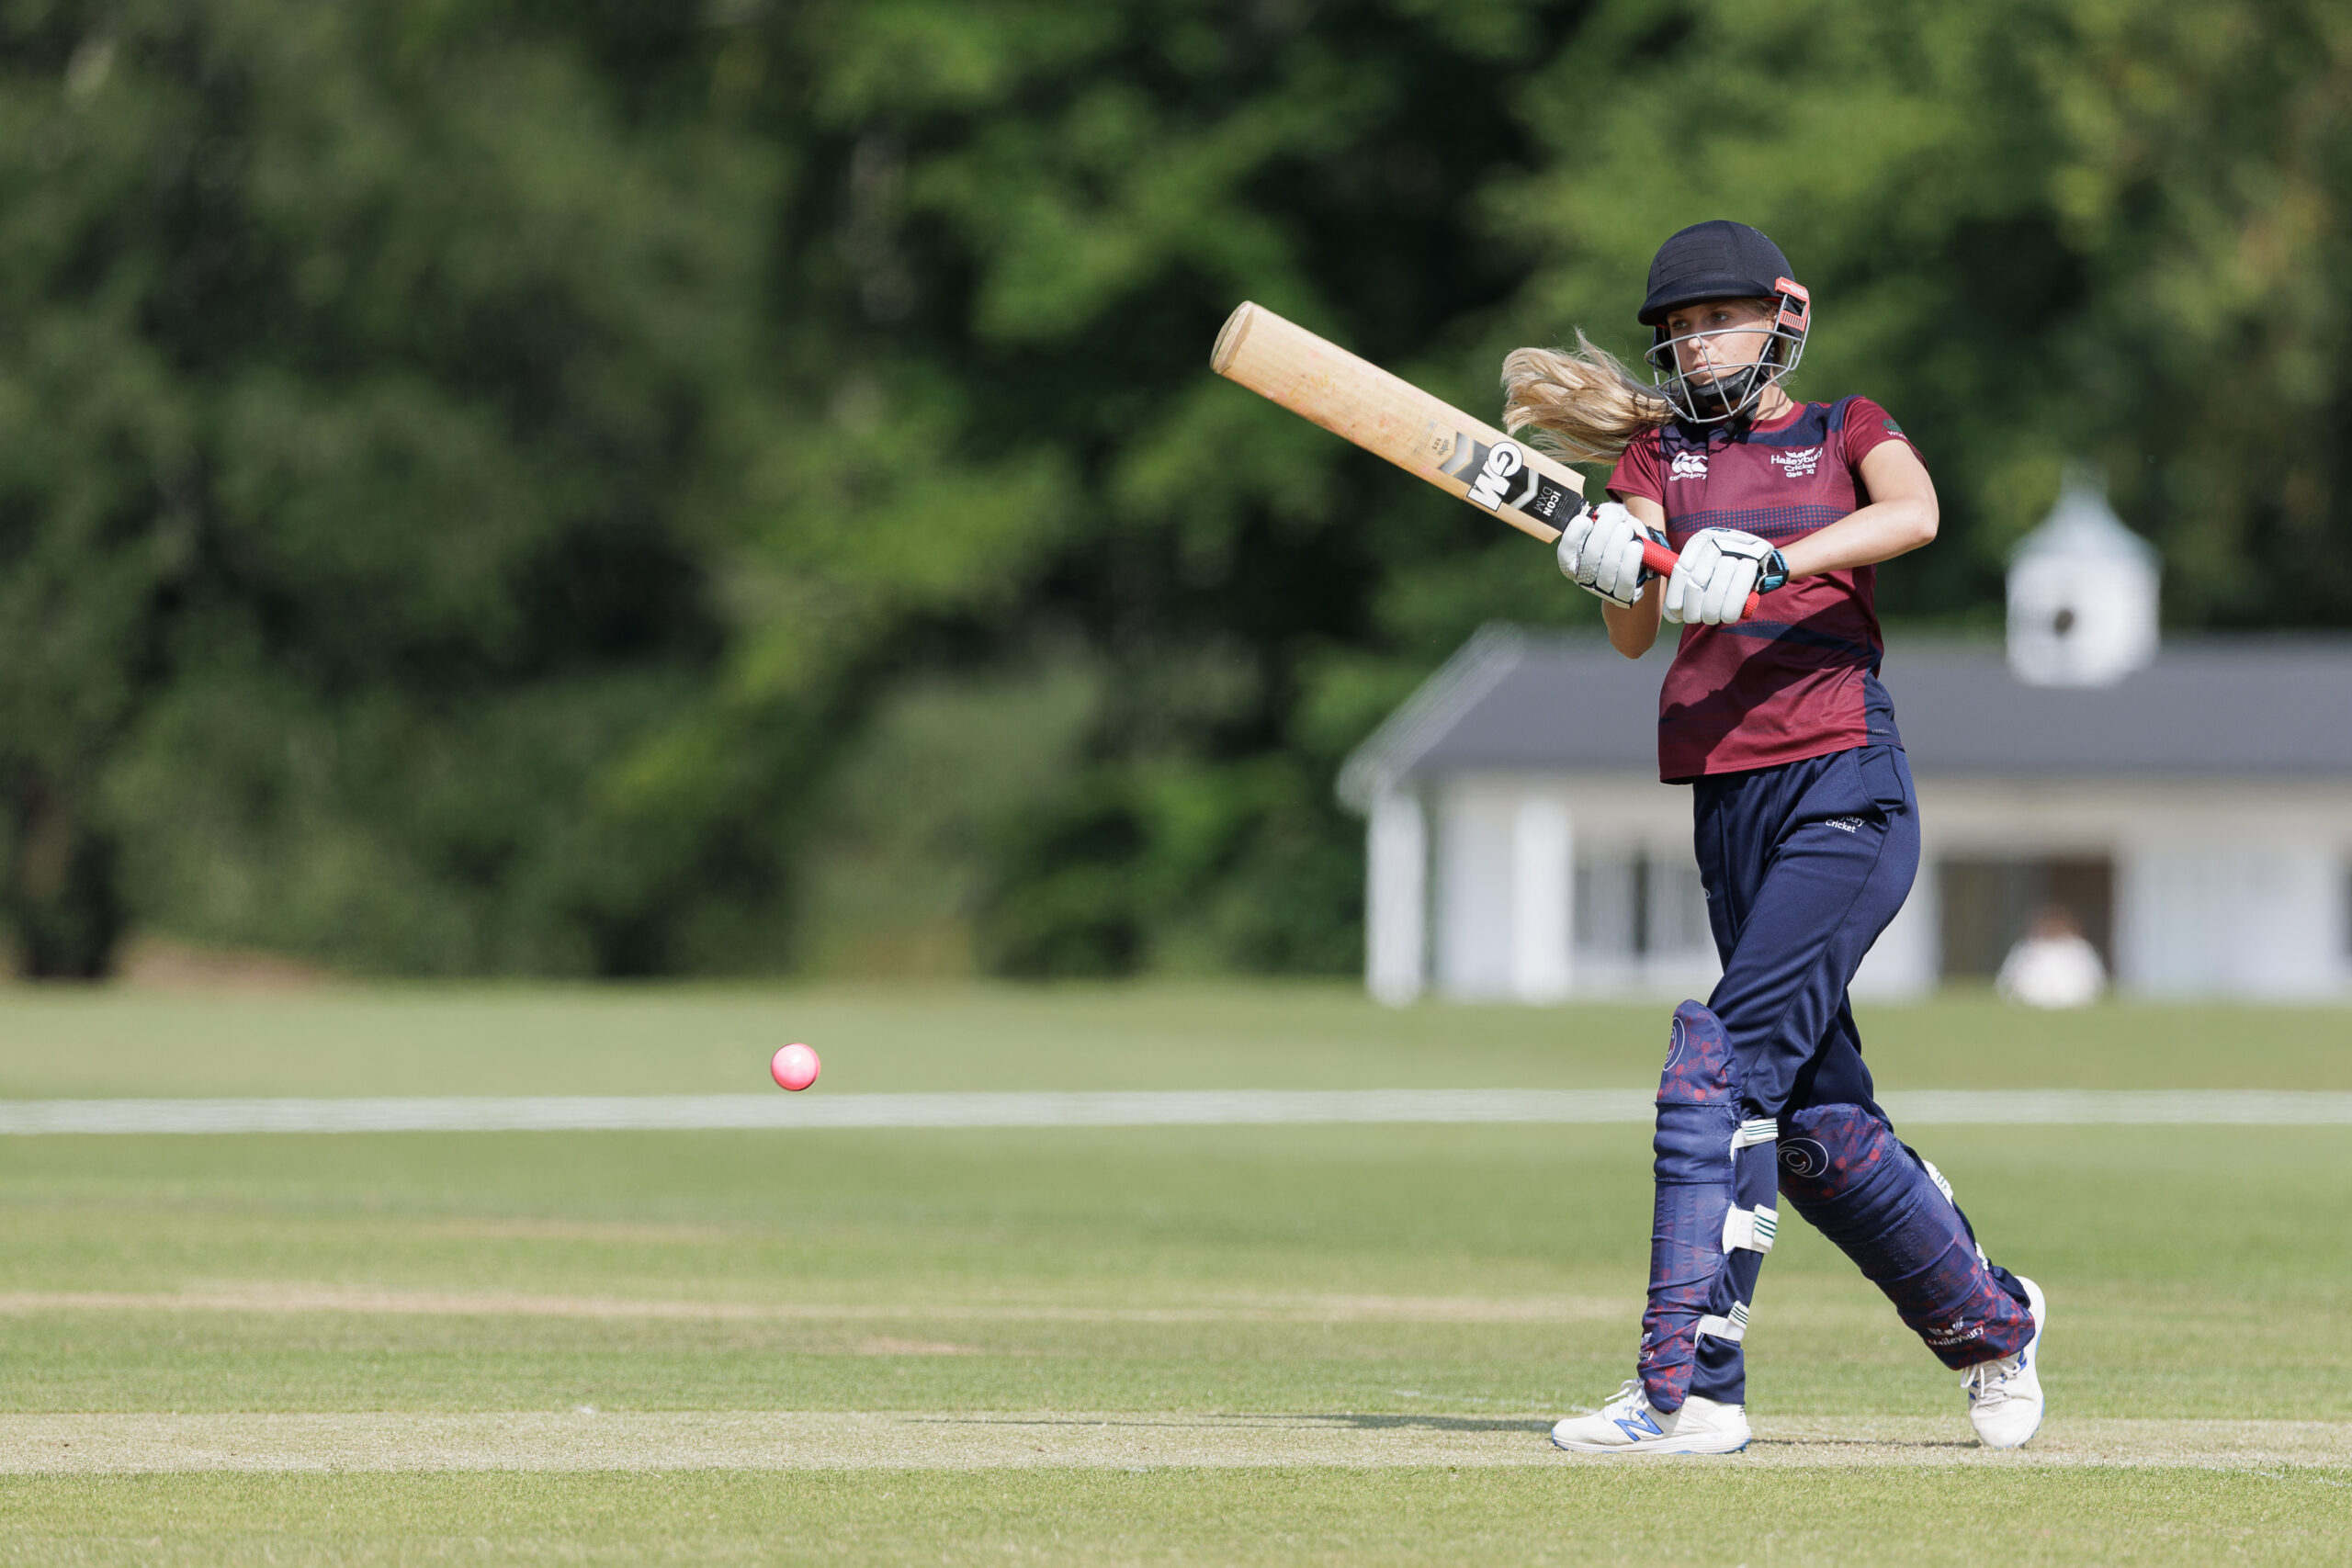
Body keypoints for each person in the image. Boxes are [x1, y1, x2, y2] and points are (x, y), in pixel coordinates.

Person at [1501, 220, 2045, 1455]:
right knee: (1812, 1127)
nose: (1697, 344)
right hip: (1727, 799)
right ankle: (1993, 1325)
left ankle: (1690, 1390)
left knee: (1718, 1067)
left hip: (1844, 785)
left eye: (1718, 319)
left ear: (1781, 317)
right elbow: (1636, 634)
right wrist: (1611, 569)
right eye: (1679, 329)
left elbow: (1915, 513)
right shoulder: (1658, 454)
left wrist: (1774, 563)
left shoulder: (1846, 426)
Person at [1997, 905, 2107, 1009]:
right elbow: (2008, 982)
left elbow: (2095, 982)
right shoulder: (2027, 950)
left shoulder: (2080, 950)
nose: (2053, 929)